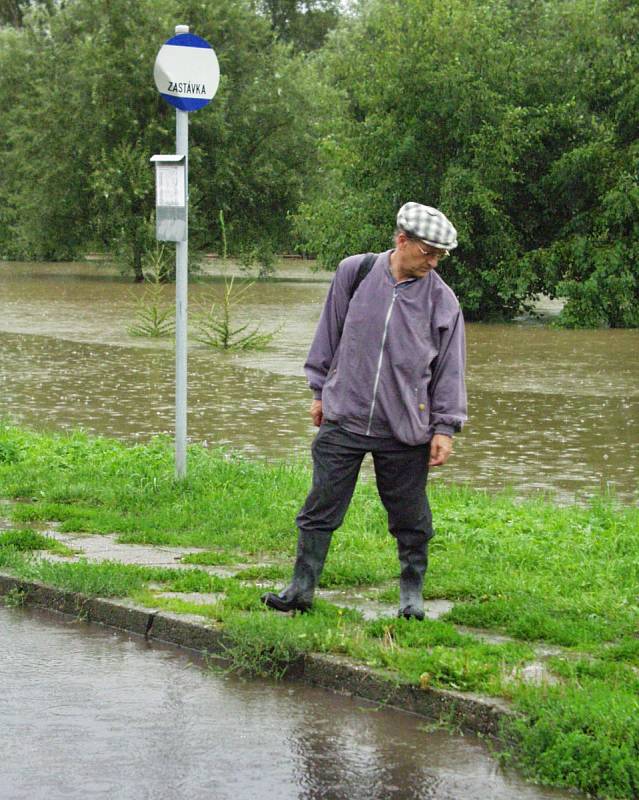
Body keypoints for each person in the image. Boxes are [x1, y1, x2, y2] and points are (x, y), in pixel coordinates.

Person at [261, 202, 467, 620]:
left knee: (411, 518)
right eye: (427, 251)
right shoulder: (354, 273)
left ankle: (411, 597)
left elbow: (449, 370)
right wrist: (319, 392)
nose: (433, 261)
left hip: (405, 427)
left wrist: (444, 427)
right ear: (401, 240)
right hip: (345, 417)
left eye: (439, 255)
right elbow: (328, 335)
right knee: (319, 508)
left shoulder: (444, 302)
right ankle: (300, 590)